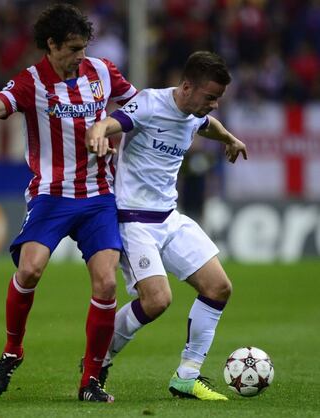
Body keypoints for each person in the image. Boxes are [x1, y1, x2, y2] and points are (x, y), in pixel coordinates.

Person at [0, 3, 137, 403]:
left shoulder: (103, 71)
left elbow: (138, 110)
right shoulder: (30, 83)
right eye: (72, 48)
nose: (80, 56)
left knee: (106, 284)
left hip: (100, 197)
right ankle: (12, 350)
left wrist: (114, 131)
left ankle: (90, 381)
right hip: (52, 196)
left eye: (83, 47)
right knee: (31, 269)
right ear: (51, 45)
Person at [85, 51, 247, 401]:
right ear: (186, 87)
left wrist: (230, 139)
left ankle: (187, 376)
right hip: (133, 220)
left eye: (218, 98)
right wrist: (98, 133)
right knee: (157, 301)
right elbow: (110, 123)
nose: (215, 105)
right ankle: (98, 360)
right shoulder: (149, 104)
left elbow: (208, 126)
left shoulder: (194, 113)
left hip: (169, 217)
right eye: (211, 97)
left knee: (219, 287)